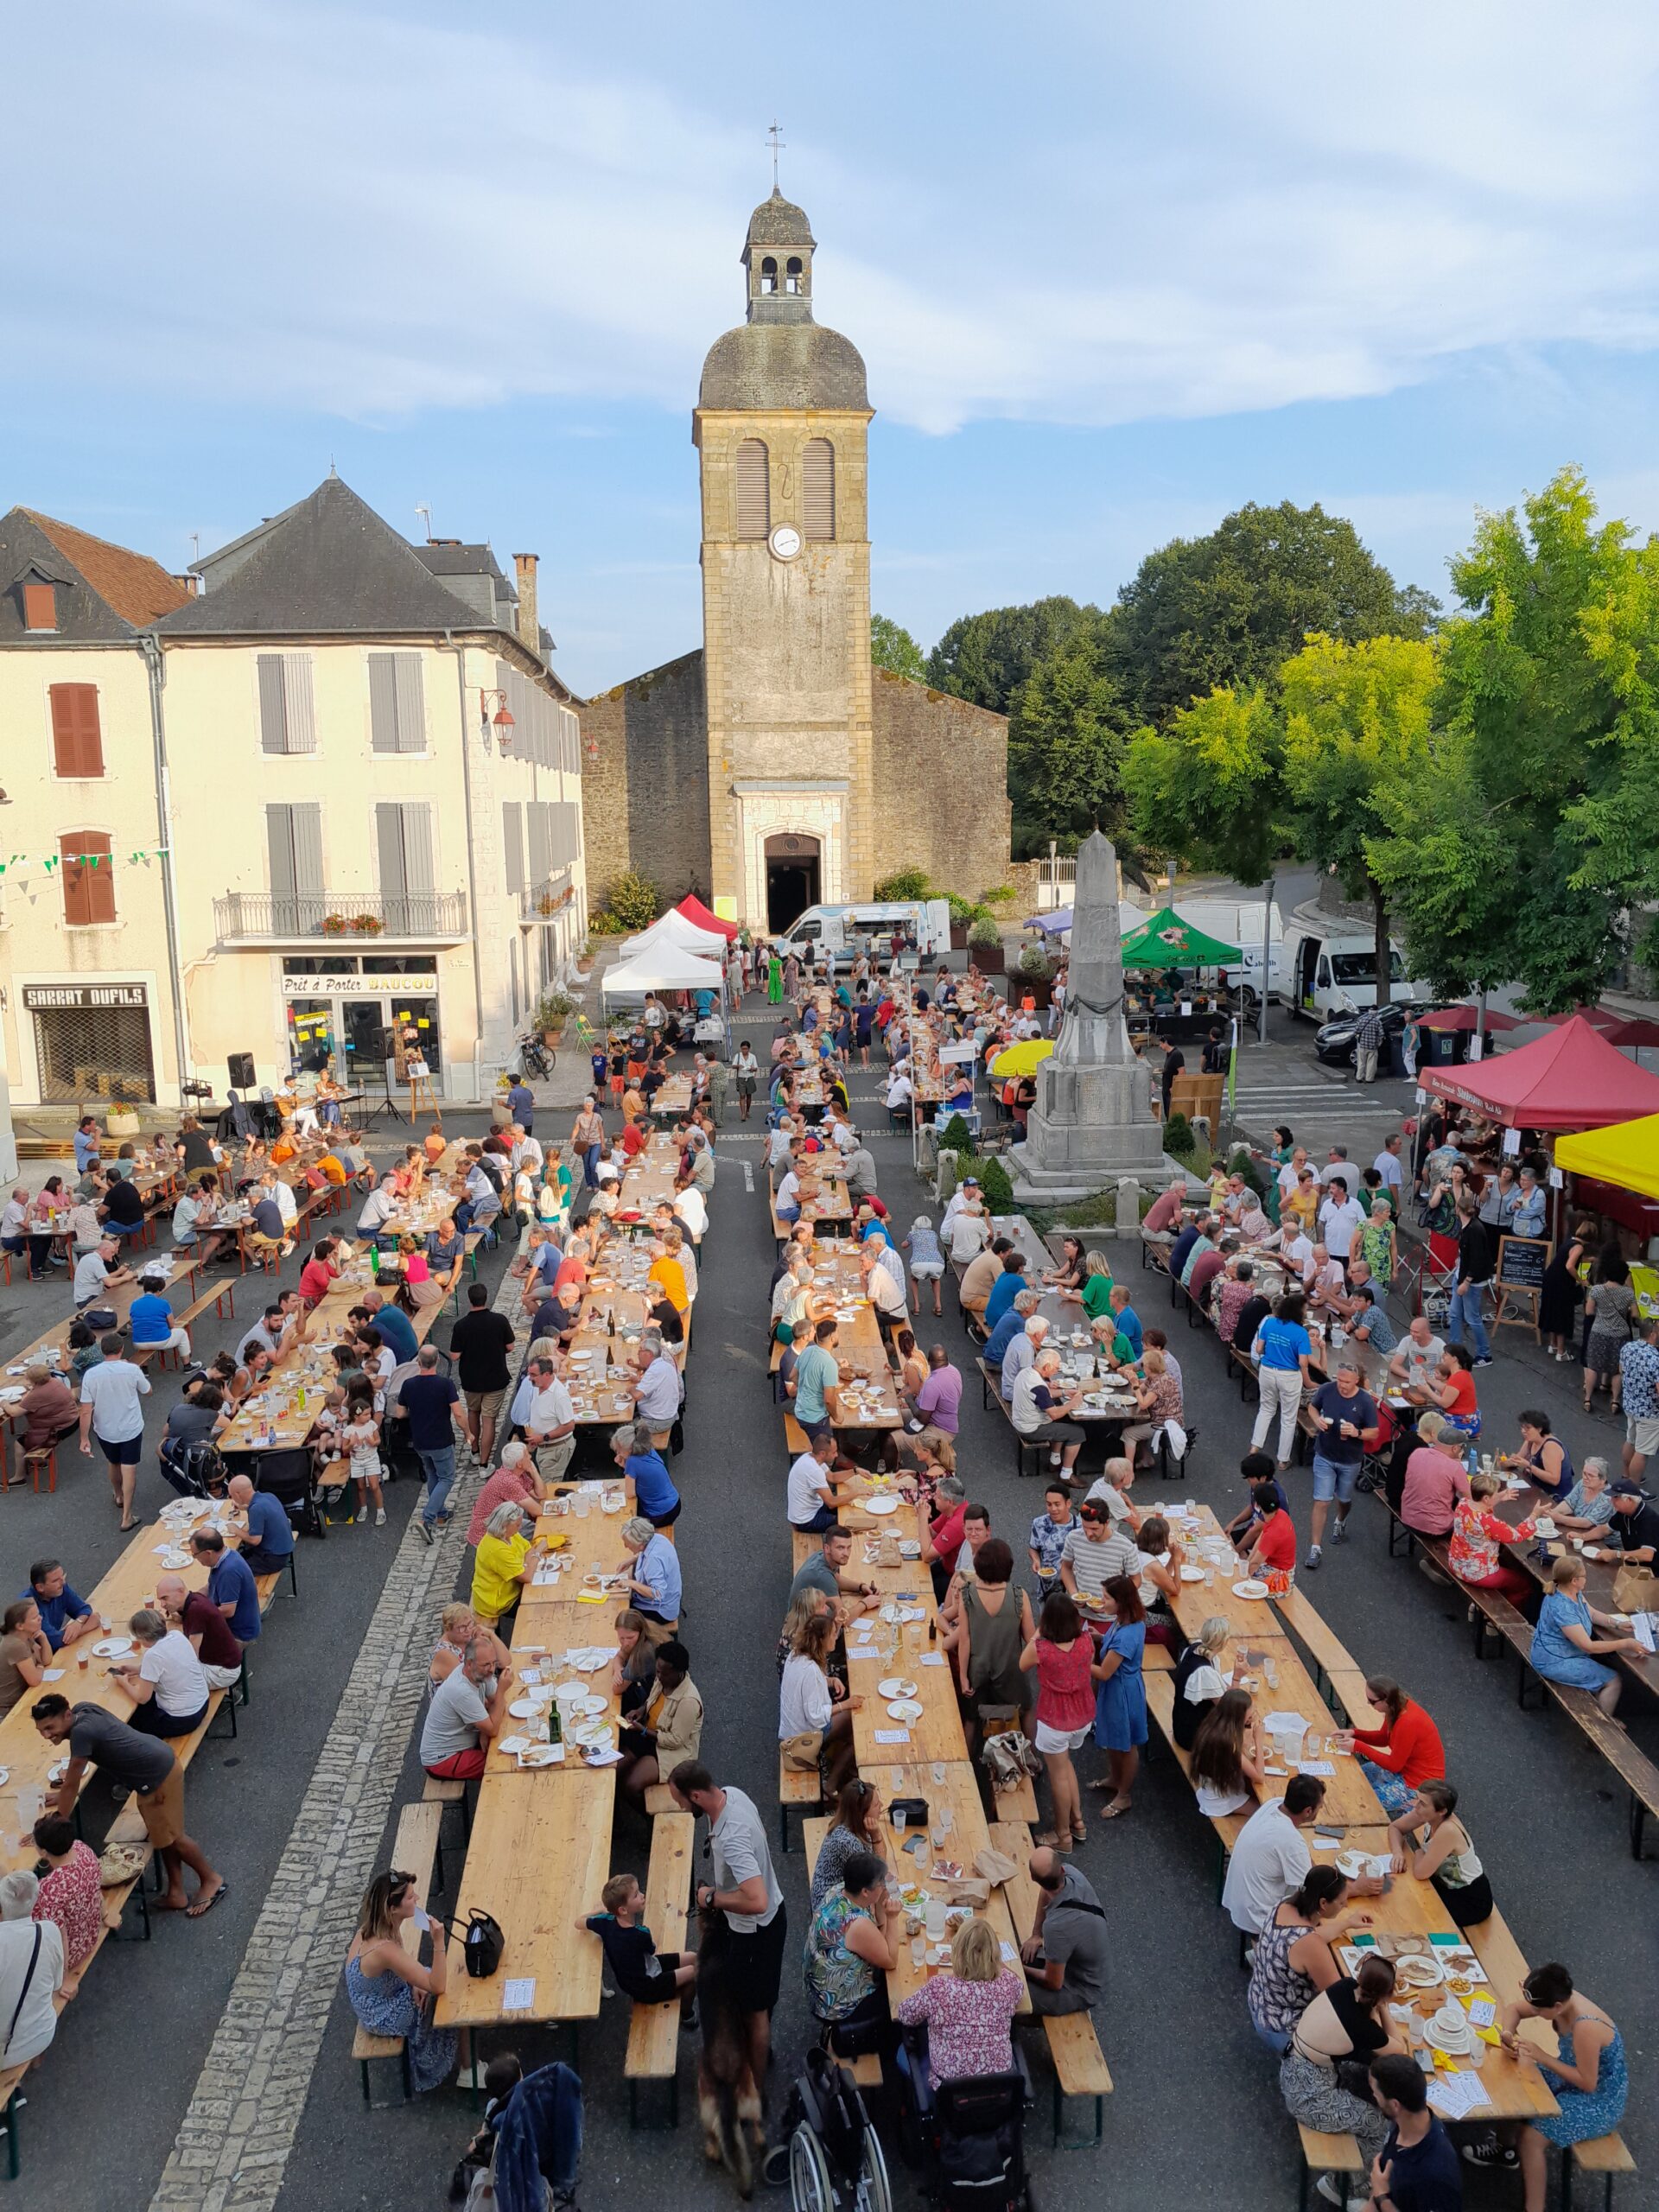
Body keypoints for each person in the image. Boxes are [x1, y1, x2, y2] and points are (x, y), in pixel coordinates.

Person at [32, 1692, 224, 1916]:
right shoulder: (84, 1707)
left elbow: (73, 1779)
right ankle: (176, 1892)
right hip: (158, 1765)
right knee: (163, 1837)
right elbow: (72, 1781)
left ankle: (211, 1879)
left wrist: (56, 1826)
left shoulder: (82, 1733)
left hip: (157, 1778)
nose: (46, 1735)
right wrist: (63, 1795)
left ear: (67, 1715)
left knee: (175, 1837)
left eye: (49, 1728)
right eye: (41, 1731)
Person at [1465, 1963, 1627, 2210]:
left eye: (1540, 2011)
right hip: (1570, 2075)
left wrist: (1542, 2056)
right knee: (1516, 2081)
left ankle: (1535, 2207)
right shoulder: (1556, 1997)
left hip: (1599, 2100)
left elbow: (1588, 2082)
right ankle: (1505, 2149)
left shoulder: (1586, 2027)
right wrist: (1507, 2034)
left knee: (1532, 2137)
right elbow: (1514, 2009)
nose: (1535, 2013)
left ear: (1558, 2007)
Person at [672, 1762, 788, 2089]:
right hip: (769, 1922)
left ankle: (757, 2086)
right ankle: (759, 2052)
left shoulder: (731, 1838)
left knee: (755, 2011)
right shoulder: (733, 1795)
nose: (681, 1807)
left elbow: (757, 1900)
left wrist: (711, 1899)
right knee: (761, 2000)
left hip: (755, 1931)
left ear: (696, 1795)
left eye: (682, 1800)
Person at [1281, 1957, 1404, 2195]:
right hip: (1309, 2098)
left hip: (1295, 2068)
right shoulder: (1361, 2026)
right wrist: (1385, 2008)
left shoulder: (1345, 1987)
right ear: (1383, 1994)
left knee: (1369, 2079)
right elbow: (1399, 2047)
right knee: (1378, 2123)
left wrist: (1379, 2002)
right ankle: (1347, 2187)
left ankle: (1359, 2169)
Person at [344, 1868, 458, 2094]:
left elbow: (400, 1960)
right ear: (393, 1908)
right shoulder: (383, 1949)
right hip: (380, 2014)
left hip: (376, 1998)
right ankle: (464, 2068)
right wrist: (438, 1941)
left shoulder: (375, 1927)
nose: (416, 1899)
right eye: (410, 1897)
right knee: (448, 1992)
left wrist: (415, 1982)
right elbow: (437, 1985)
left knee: (430, 1977)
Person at [894, 1914, 1023, 2106]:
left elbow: (905, 2015)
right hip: (998, 2094)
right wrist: (990, 1957)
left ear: (957, 1953)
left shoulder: (939, 1988)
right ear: (995, 1955)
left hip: (951, 2097)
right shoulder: (1008, 1984)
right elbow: (1019, 1986)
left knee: (901, 2053)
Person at [803, 1849, 896, 2050]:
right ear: (865, 1891)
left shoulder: (837, 1891)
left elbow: (877, 1929)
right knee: (899, 2004)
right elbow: (890, 1959)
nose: (884, 1885)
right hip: (836, 2005)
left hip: (817, 1991)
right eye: (881, 1882)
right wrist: (893, 1918)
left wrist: (880, 1904)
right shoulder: (857, 1925)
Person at [1530, 1555, 1647, 1716]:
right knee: (1614, 1681)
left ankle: (1599, 1702)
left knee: (1608, 1659)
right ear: (1574, 1580)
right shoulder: (1563, 1608)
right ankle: (1604, 1727)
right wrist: (1625, 1643)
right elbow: (1588, 1646)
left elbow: (1591, 1613)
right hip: (1554, 1660)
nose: (1586, 1578)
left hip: (1563, 1652)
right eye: (1584, 1576)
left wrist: (1616, 1623)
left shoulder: (1569, 1591)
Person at [1223, 1775, 1328, 1936]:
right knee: (1322, 1916)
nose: (1321, 1809)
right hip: (1258, 1918)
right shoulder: (1292, 1842)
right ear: (1308, 1811)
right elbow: (1311, 1891)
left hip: (1237, 1900)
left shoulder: (1274, 1805)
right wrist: (1354, 1888)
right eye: (1320, 1806)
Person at [580, 1870, 697, 2010]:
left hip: (632, 1979)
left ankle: (691, 1986)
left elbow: (578, 1922)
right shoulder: (641, 1934)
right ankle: (687, 2014)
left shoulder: (605, 1923)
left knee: (693, 1957)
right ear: (623, 1910)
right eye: (636, 1895)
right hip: (647, 1986)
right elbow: (651, 1949)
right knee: (693, 1971)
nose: (642, 1895)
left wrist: (598, 1912)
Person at [1332, 1678, 1445, 1818]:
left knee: (1362, 1800)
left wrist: (1358, 1746)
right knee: (1353, 1778)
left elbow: (1394, 1765)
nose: (1368, 1703)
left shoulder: (1408, 1722)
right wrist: (1355, 1734)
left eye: (1372, 1701)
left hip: (1420, 1785)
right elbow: (1383, 1738)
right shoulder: (1396, 1707)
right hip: (1406, 1771)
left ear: (1386, 1700)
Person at [1306, 1357, 1381, 1567]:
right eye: (1339, 1380)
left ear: (1357, 1380)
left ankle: (1340, 1520)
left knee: (1344, 1499)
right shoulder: (1327, 1390)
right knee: (1322, 1501)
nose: (1342, 1385)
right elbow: (1313, 1408)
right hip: (1324, 1455)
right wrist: (1316, 1420)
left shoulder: (1365, 1401)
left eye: (1346, 1382)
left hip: (1350, 1459)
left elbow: (1374, 1433)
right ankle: (1315, 1549)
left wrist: (1356, 1432)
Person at [1367, 2054, 1464, 2212]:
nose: (1373, 2097)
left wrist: (1382, 2197)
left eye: (1375, 2093)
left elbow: (1381, 2191)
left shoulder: (1436, 2177)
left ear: (1395, 2105)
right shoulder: (1404, 2124)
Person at [615, 1639, 703, 1810]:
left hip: (669, 1751)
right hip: (649, 1735)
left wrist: (643, 1731)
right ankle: (616, 1816)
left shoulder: (688, 1702)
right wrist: (641, 1710)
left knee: (630, 1785)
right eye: (657, 1672)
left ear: (679, 1673)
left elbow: (676, 1741)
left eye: (664, 1674)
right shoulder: (663, 1679)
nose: (659, 1677)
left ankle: (647, 1819)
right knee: (615, 1768)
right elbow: (652, 1699)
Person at [1020, 1847, 1106, 2017]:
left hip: (1079, 1988)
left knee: (1005, 1990)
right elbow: (1046, 1890)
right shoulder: (1072, 1875)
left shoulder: (1056, 1927)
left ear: (1032, 1878)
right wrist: (1036, 1935)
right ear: (1061, 1869)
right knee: (1013, 1955)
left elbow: (1053, 1982)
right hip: (1079, 1963)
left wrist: (1020, 1970)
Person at [77, 1333, 151, 1531]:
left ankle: (117, 1494)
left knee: (113, 1462)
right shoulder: (132, 1370)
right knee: (129, 1468)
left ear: (102, 1352)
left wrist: (84, 1438)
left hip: (105, 1429)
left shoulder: (91, 1375)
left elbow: (85, 1410)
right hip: (130, 1428)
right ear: (121, 1350)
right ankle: (127, 1516)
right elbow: (147, 1391)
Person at [780, 1608, 857, 1793]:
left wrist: (830, 1680)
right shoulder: (812, 1672)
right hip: (802, 1737)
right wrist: (844, 1705)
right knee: (855, 1726)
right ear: (822, 1640)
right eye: (832, 1634)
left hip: (790, 1728)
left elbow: (806, 1688)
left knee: (849, 1730)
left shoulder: (796, 1655)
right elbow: (816, 1718)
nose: (835, 1637)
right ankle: (831, 1785)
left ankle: (843, 1769)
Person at [1088, 1575, 1147, 1817]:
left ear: (1120, 1602)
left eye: (1107, 1597)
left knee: (1127, 1744)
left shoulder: (1126, 1635)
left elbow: (1103, 1672)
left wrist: (1077, 1660)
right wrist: (1100, 1638)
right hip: (1119, 1687)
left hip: (1122, 1692)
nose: (1103, 1601)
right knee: (1114, 1737)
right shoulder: (1125, 1621)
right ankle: (1114, 1778)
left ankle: (1124, 1795)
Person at [28, 1817, 105, 1993]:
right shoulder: (81, 1848)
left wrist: (65, 1978)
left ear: (44, 1852)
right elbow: (97, 1888)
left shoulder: (50, 1889)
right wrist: (106, 1914)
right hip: (89, 1932)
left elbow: (58, 1937)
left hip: (72, 1951)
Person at [109, 1605, 211, 1738]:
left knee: (130, 1722)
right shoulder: (177, 1635)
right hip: (202, 1703)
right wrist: (137, 1669)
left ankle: (153, 1753)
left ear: (142, 1637)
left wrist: (124, 1683)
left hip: (182, 1719)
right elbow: (168, 1666)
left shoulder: (152, 1655)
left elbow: (142, 1698)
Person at [422, 1635, 515, 1779]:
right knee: (502, 1764)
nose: (492, 1669)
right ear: (470, 1663)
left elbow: (495, 1703)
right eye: (486, 1665)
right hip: (443, 1758)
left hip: (464, 1743)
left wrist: (484, 1731)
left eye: (494, 1663)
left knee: (509, 1747)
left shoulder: (480, 1673)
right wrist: (501, 1691)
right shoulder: (461, 1690)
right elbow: (493, 1727)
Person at [0, 1872, 65, 2069]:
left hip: (5, 2052)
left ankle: (15, 2089)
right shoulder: (49, 1931)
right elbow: (57, 1984)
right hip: (42, 2032)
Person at [1447, 1467, 1536, 1605]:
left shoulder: (1463, 1504)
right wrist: (1534, 1515)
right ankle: (1504, 1616)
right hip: (1478, 1573)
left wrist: (1500, 1497)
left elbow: (1482, 1505)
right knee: (1523, 1584)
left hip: (1456, 1562)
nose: (1498, 1494)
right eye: (1496, 1493)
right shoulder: (1489, 1523)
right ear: (1486, 1498)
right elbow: (1516, 1536)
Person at [1251, 1294, 1314, 1468]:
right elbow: (1303, 1362)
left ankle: (1255, 1446)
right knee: (1288, 1417)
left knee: (1265, 1409)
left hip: (1267, 1371)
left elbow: (1259, 1348)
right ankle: (1282, 1459)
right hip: (1289, 1376)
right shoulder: (1301, 1333)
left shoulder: (1270, 1323)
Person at [156, 1571, 244, 1694]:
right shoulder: (195, 1600)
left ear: (180, 1591)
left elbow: (191, 1657)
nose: (162, 1604)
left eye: (165, 1598)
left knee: (167, 1681)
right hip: (225, 1662)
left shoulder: (196, 1611)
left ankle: (199, 1708)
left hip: (222, 1671)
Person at [808, 1779, 887, 1916]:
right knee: (884, 1902)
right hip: (829, 1907)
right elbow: (877, 1873)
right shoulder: (847, 1841)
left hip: (845, 1890)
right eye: (876, 1805)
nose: (882, 1806)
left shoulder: (854, 1826)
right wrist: (877, 1835)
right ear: (862, 1812)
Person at [1190, 1686, 1268, 1819]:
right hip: (1219, 1799)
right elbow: (1259, 1777)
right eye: (1248, 1717)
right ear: (1239, 1717)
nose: (1250, 1719)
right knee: (1264, 1812)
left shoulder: (1214, 1723)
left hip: (1210, 1787)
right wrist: (1258, 1741)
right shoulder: (1229, 1743)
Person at [1011, 1348, 1089, 1478]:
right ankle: (1066, 1474)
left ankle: (1055, 1459)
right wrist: (1072, 1403)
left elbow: (1045, 1395)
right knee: (1077, 1433)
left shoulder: (1026, 1372)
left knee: (1065, 1419)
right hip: (1031, 1429)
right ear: (1047, 1366)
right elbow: (1054, 1414)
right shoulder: (1038, 1385)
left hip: (1021, 1420)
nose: (1056, 1371)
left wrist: (1065, 1392)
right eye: (1056, 1368)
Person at [1398, 1412, 1469, 1541]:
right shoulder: (1454, 1467)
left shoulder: (1418, 1453)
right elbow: (1469, 1498)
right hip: (1436, 1529)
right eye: (1462, 1447)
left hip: (1407, 1517)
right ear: (1454, 1448)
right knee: (1470, 1520)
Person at [1582, 1255, 1637, 1414]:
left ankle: (1587, 1398)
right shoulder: (1628, 1293)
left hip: (1599, 1331)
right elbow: (1635, 1315)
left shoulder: (1597, 1290)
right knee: (1617, 1369)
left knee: (1593, 1365)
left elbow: (1589, 1311)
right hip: (1621, 1334)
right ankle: (1614, 1402)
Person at [622, 1515, 683, 1632]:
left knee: (623, 1618)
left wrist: (631, 1583)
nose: (625, 1546)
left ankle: (663, 1629)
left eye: (627, 1543)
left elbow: (658, 1593)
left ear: (639, 1544)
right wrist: (631, 1560)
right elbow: (646, 1553)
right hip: (673, 1597)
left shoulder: (653, 1560)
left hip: (661, 1609)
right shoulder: (657, 1538)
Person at [22, 1560, 97, 1652]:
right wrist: (84, 1628)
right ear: (40, 1587)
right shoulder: (28, 1605)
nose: (62, 1583)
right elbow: (53, 1641)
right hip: (35, 1658)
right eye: (55, 1580)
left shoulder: (60, 1588)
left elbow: (84, 1609)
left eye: (62, 1577)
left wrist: (78, 1623)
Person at [1618, 1313, 1659, 1480]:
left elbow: (1621, 1370)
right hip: (1649, 1412)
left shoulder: (1627, 1348)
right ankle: (1633, 1490)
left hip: (1630, 1404)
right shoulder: (1655, 1357)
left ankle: (1626, 1474)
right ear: (1653, 1334)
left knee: (1631, 1440)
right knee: (1642, 1452)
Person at [1027, 1484, 1080, 1601]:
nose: (1053, 1509)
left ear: (1068, 1504)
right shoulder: (1039, 1523)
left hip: (1073, 1589)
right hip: (1046, 1588)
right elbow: (1033, 1548)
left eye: (1057, 1504)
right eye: (1049, 1504)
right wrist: (1036, 1560)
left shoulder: (1081, 1527)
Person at [0, 1599, 50, 1719]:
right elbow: (34, 1680)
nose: (40, 1618)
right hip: (11, 1708)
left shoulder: (25, 1637)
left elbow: (46, 1660)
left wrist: (43, 1638)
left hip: (24, 1695)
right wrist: (40, 1666)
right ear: (20, 1626)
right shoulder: (16, 1645)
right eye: (34, 1617)